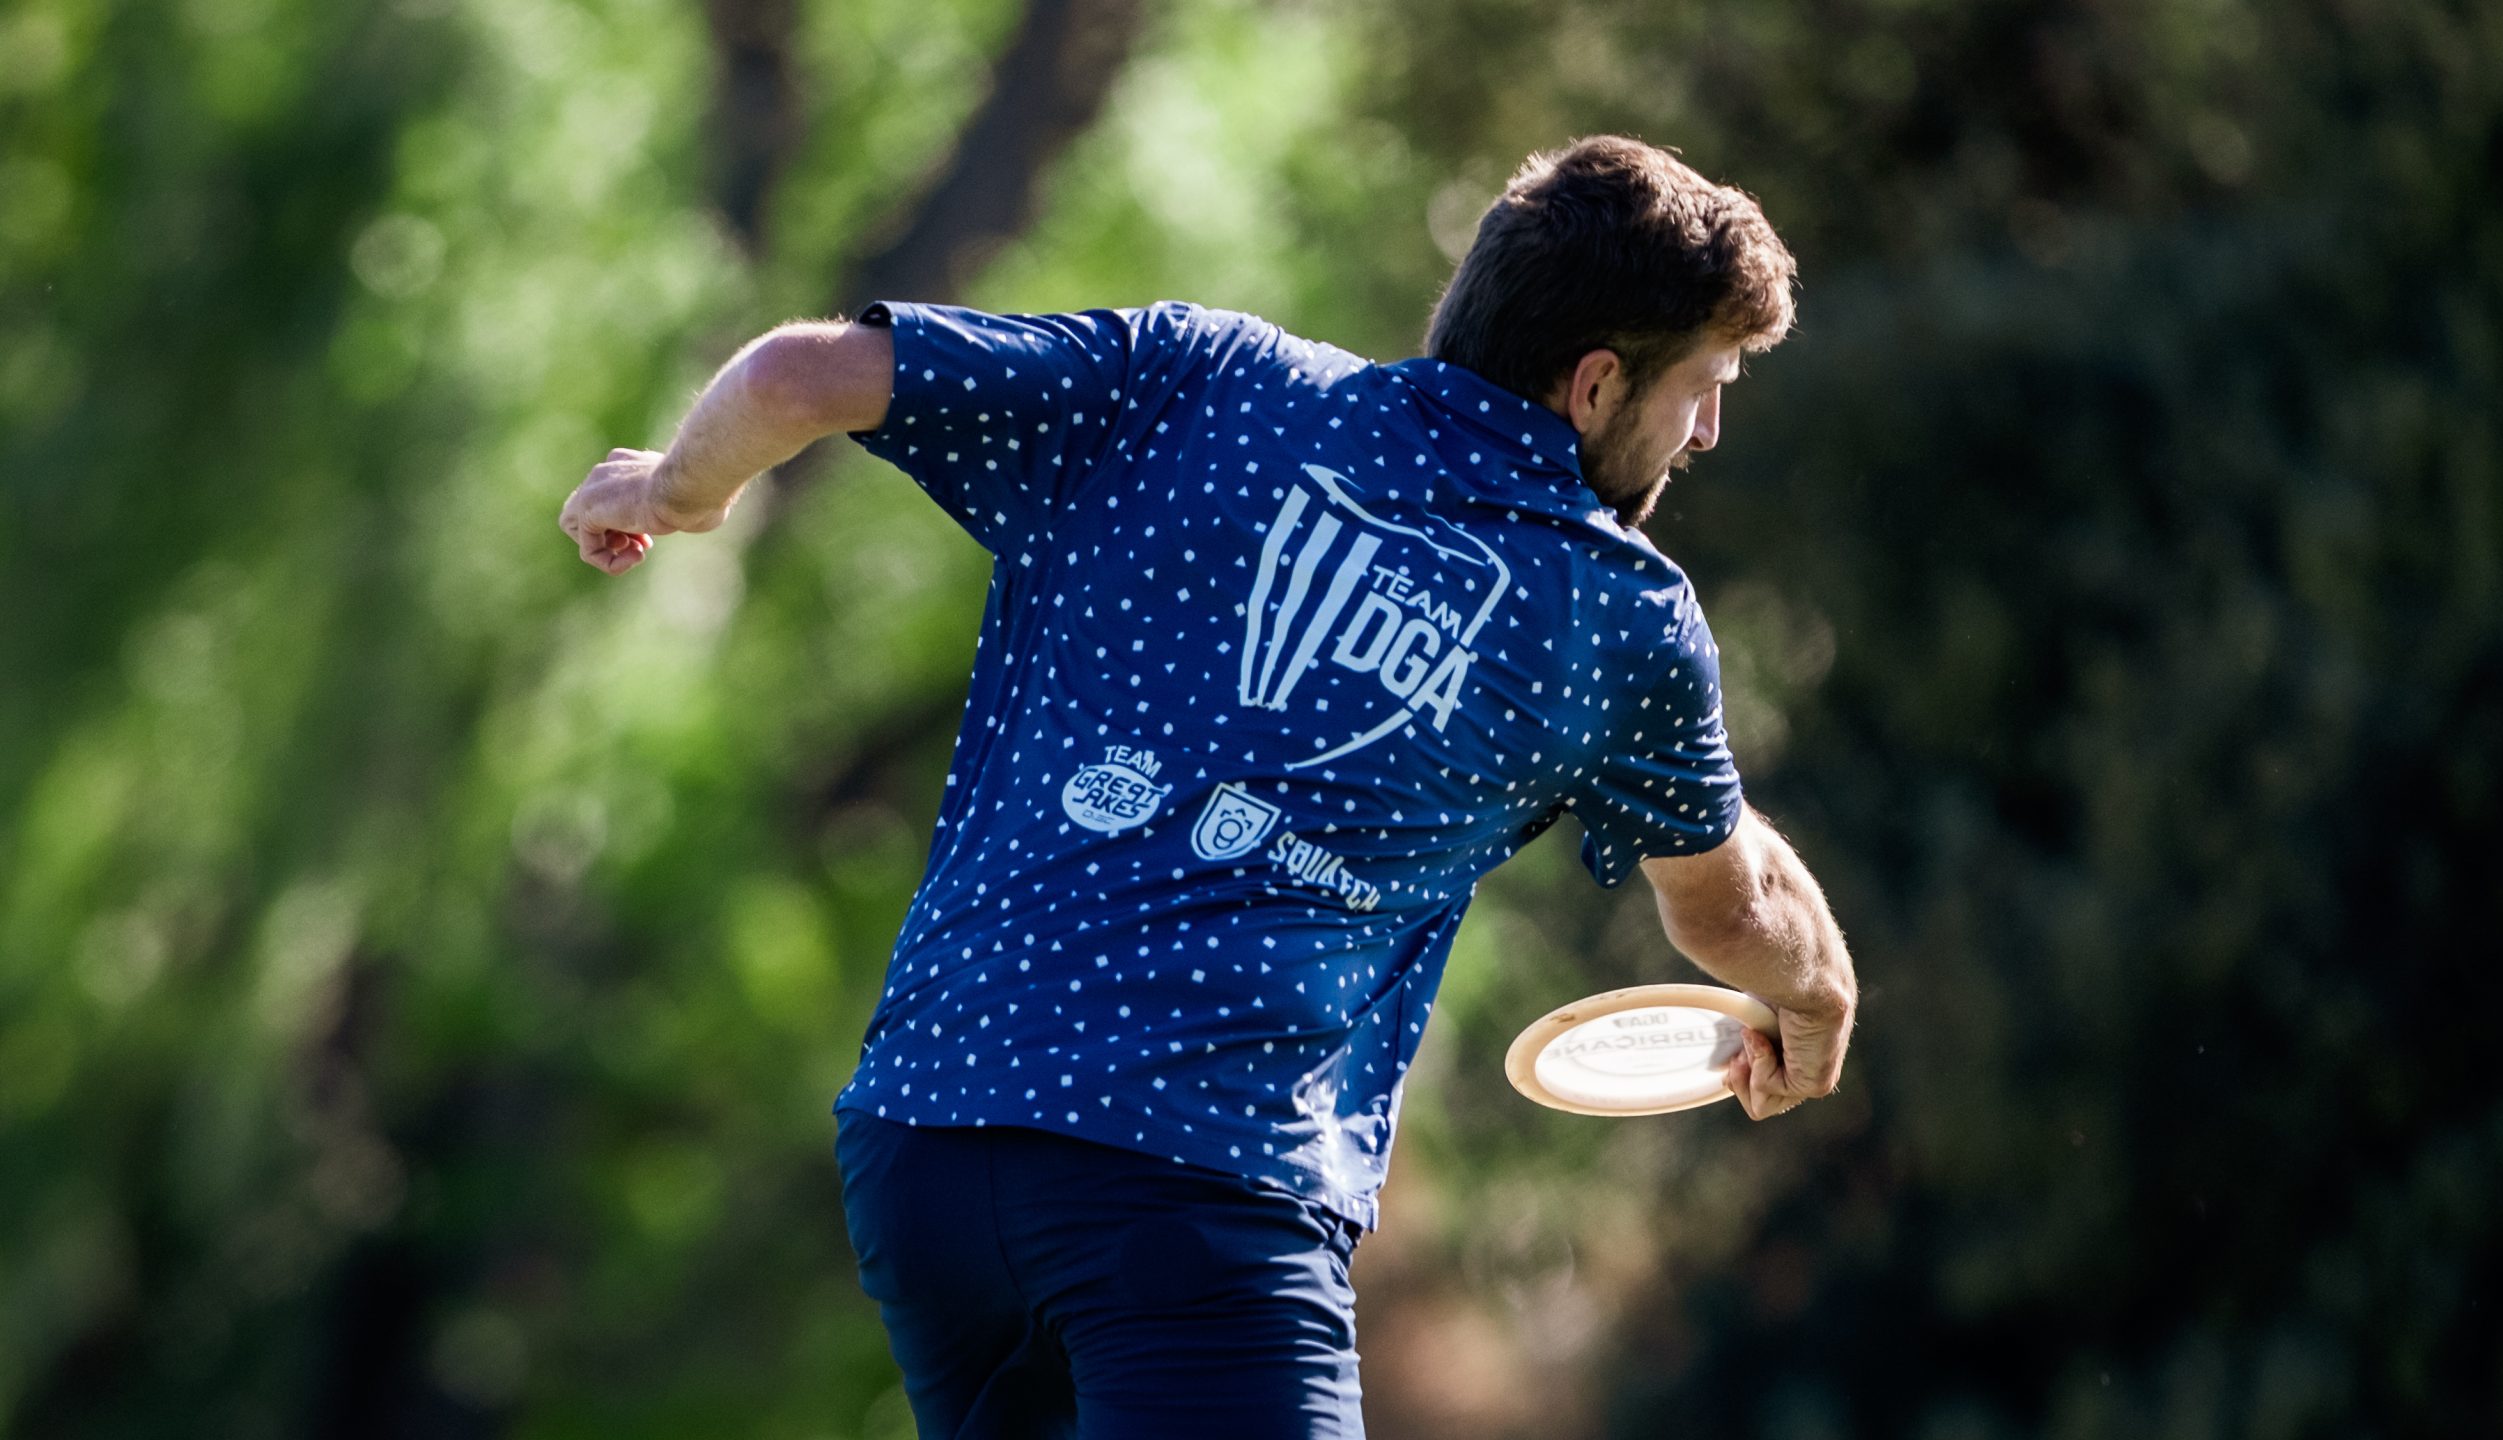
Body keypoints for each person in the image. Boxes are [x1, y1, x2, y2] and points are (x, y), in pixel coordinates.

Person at [558, 134, 1858, 1440]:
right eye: (1702, 387)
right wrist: (1815, 998)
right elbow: (1732, 907)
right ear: (1594, 384)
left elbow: (792, 377)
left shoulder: (1203, 375)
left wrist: (675, 489)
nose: (1707, 430)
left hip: (928, 1143)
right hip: (1198, 1189)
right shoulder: (1617, 615)